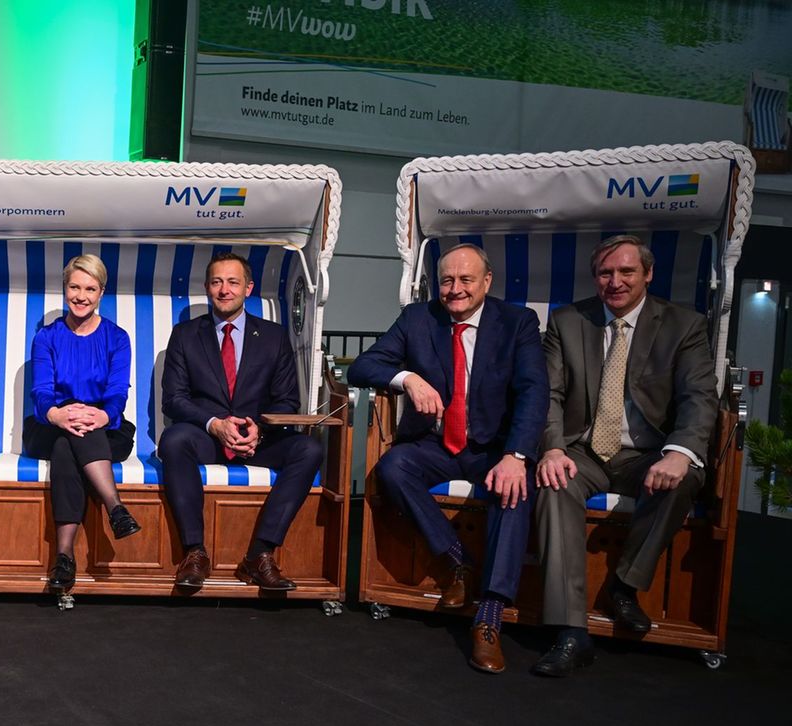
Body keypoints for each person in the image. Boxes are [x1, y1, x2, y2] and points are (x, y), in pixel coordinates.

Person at [347, 244, 548, 673]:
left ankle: (489, 615)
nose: (454, 290)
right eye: (447, 281)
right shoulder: (418, 319)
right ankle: (458, 560)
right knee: (392, 468)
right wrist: (408, 379)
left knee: (513, 491)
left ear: (487, 282)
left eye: (466, 280)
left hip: (492, 448)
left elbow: (534, 391)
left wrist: (516, 455)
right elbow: (361, 368)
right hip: (436, 444)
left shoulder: (517, 323)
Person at [533, 234, 718, 677]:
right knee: (553, 484)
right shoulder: (567, 321)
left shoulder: (684, 325)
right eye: (605, 273)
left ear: (648, 274)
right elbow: (548, 394)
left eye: (626, 272)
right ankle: (571, 631)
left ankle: (623, 586)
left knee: (686, 477)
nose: (615, 281)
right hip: (584, 450)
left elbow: (699, 397)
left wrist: (679, 452)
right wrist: (553, 447)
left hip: (647, 453)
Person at [158, 252, 323, 592]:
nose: (224, 290)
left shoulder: (275, 337)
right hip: (206, 437)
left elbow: (287, 401)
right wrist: (215, 424)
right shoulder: (185, 335)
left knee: (308, 449)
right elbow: (174, 399)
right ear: (207, 287)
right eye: (217, 282)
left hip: (256, 440)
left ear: (247, 288)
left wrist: (259, 431)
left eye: (233, 282)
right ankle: (194, 553)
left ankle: (260, 555)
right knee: (173, 440)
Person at [23, 255, 141, 593]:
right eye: (74, 287)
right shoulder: (47, 337)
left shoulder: (117, 337)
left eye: (90, 288)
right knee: (64, 438)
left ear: (101, 292)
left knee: (70, 445)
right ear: (65, 289)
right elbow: (41, 392)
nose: (81, 295)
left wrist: (101, 415)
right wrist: (59, 415)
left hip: (105, 427)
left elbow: (118, 393)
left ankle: (64, 557)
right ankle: (116, 508)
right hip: (52, 424)